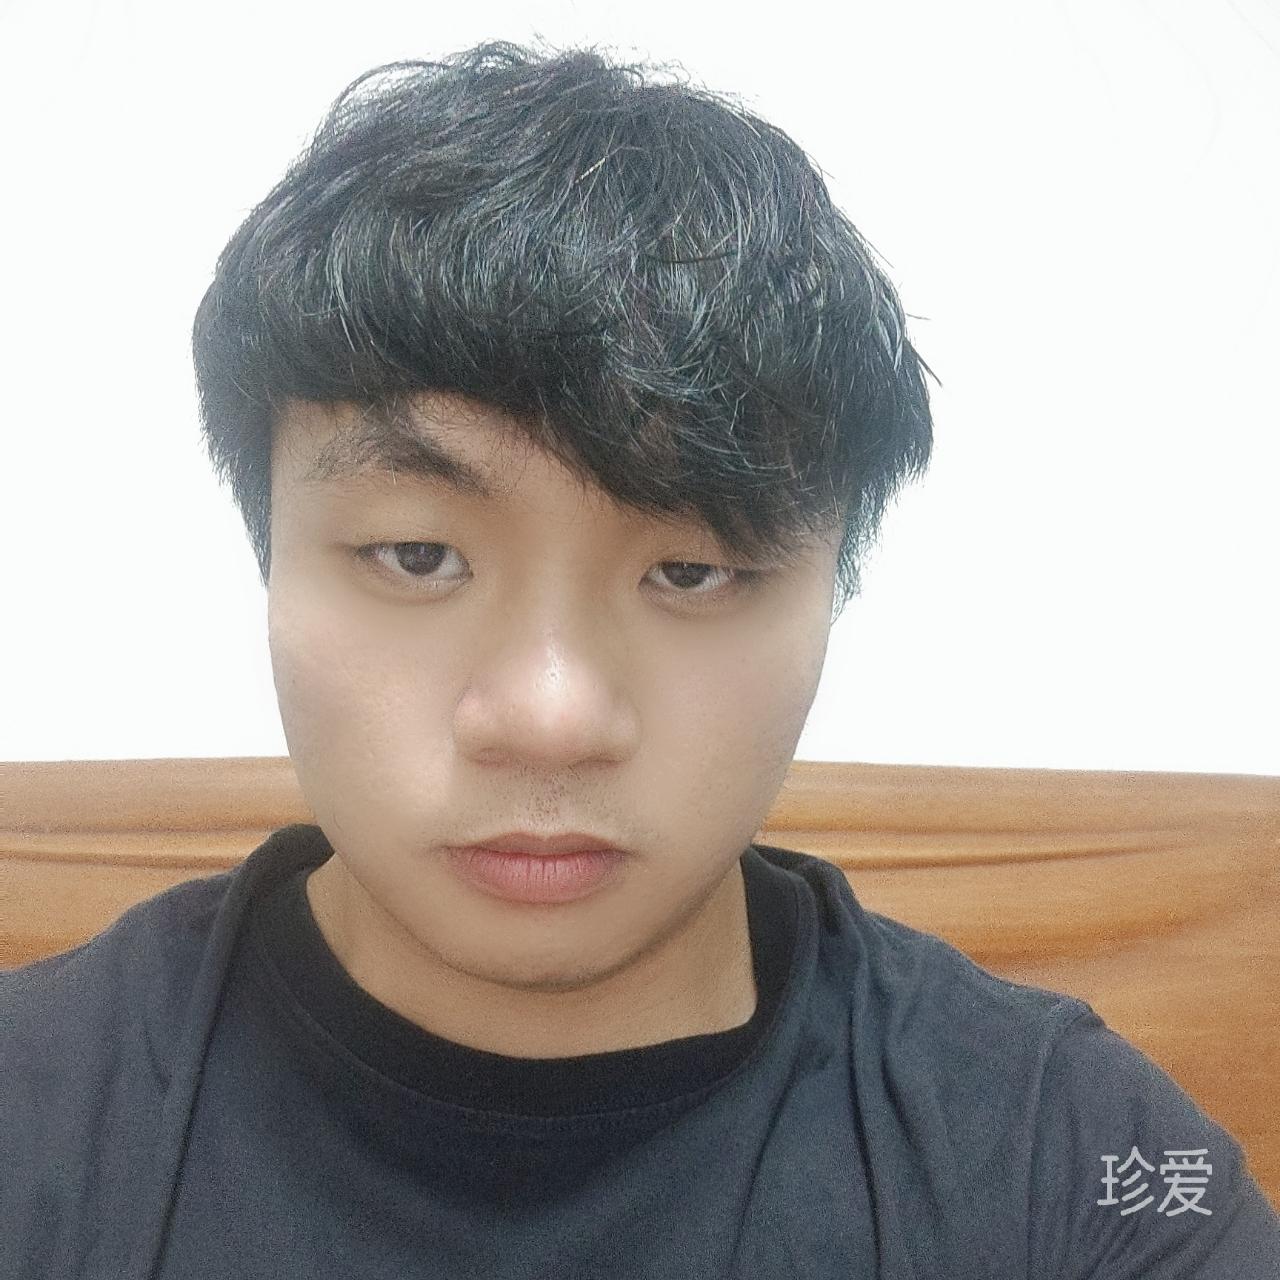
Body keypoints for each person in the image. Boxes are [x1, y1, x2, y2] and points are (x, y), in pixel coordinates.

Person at [2, 37, 1277, 1280]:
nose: (549, 716)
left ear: (829, 586)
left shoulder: (1073, 1161)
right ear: (271, 553)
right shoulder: (34, 1114)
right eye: (417, 555)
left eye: (689, 570)